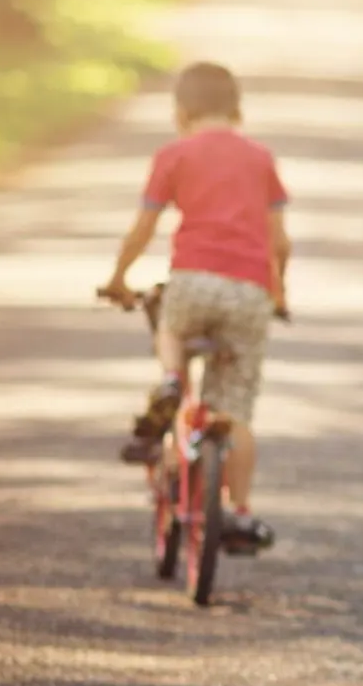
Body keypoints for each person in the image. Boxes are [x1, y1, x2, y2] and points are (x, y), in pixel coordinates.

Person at [103, 61, 291, 549]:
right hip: (249, 291)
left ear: (181, 112)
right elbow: (280, 243)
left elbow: (143, 228)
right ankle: (240, 512)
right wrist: (280, 293)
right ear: (238, 111)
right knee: (236, 409)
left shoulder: (174, 154)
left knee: (171, 329)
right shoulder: (260, 158)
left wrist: (118, 279)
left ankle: (170, 379)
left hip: (192, 283)